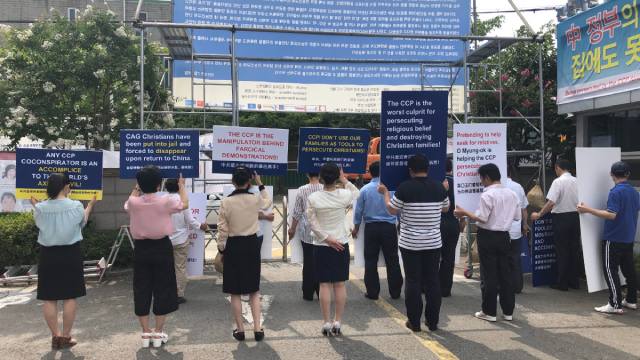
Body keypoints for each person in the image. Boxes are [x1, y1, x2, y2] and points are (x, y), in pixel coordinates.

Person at [378, 154, 449, 332]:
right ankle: (432, 322)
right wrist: (444, 190)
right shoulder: (439, 188)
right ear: (428, 168)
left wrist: (385, 194)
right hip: (433, 243)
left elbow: (392, 210)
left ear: (410, 170)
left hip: (410, 243)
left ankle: (414, 322)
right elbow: (446, 208)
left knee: (413, 281)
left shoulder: (404, 188)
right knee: (433, 282)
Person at [31, 173, 97, 349]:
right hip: (70, 254)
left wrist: (35, 206)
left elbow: (39, 224)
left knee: (49, 298)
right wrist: (90, 205)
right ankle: (66, 337)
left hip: (47, 255)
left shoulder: (40, 208)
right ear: (65, 186)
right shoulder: (75, 205)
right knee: (70, 296)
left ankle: (55, 336)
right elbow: (82, 223)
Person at [125, 166, 189, 348]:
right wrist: (182, 186)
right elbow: (184, 204)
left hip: (141, 249)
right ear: (159, 184)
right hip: (162, 247)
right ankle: (159, 332)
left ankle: (146, 333)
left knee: (141, 288)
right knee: (164, 288)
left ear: (139, 184)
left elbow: (129, 202)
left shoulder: (133, 202)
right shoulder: (166, 201)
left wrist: (137, 188)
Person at [454, 163, 521, 322]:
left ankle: (489, 312)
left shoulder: (487, 195)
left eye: (481, 179)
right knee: (505, 273)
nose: (481, 182)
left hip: (488, 236)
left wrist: (463, 212)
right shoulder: (512, 194)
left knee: (489, 275)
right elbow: (517, 217)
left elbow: (482, 218)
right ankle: (508, 312)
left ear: (487, 177)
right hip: (505, 236)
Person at [217, 167, 271, 342]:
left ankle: (240, 330)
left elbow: (222, 230)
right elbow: (268, 201)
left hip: (233, 246)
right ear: (249, 181)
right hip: (251, 244)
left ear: (233, 181)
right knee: (254, 290)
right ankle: (257, 329)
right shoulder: (255, 199)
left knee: (235, 292)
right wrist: (260, 182)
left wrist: (221, 249)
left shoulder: (226, 202)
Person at [577, 161, 639, 314]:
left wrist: (587, 209)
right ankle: (631, 300)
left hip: (614, 237)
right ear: (628, 174)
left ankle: (614, 303)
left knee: (610, 270)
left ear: (612, 175)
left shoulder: (615, 192)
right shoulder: (634, 192)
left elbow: (611, 214)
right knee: (628, 270)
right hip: (628, 237)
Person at [307, 163, 359, 336]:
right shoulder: (345, 195)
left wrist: (326, 238)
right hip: (341, 243)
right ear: (337, 177)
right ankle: (338, 321)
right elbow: (358, 194)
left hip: (322, 245)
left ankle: (326, 322)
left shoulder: (313, 197)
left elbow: (312, 223)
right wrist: (345, 180)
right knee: (339, 284)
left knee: (324, 284)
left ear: (321, 178)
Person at [352, 161, 403, 300]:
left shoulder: (364, 190)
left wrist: (356, 228)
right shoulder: (391, 189)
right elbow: (397, 208)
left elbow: (358, 212)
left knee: (371, 260)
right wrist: (400, 224)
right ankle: (395, 292)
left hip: (371, 228)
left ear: (370, 172)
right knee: (392, 260)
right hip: (389, 227)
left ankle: (373, 292)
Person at [531, 158, 581, 291]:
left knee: (562, 251)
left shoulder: (558, 182)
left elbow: (551, 202)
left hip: (561, 218)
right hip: (576, 218)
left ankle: (562, 283)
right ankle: (574, 282)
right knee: (574, 250)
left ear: (558, 167)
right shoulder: (577, 181)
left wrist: (539, 214)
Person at [164, 179, 208, 305]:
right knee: (180, 268)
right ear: (179, 188)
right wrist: (201, 226)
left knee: (165, 268)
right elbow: (190, 220)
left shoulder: (161, 201)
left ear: (166, 187)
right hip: (181, 240)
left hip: (164, 240)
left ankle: (166, 292)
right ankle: (178, 294)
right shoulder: (182, 202)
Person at [288, 173, 323, 301]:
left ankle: (308, 293)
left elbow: (297, 212)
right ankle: (321, 292)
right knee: (321, 262)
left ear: (308, 175)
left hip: (307, 232)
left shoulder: (302, 189)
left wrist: (292, 229)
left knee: (308, 262)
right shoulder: (324, 188)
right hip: (323, 232)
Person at [439, 158, 465, 298]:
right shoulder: (459, 183)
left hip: (437, 224)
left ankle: (430, 286)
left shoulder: (437, 182)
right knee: (449, 258)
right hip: (454, 223)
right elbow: (463, 205)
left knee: (434, 257)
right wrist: (462, 221)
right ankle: (445, 289)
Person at [503, 168, 530, 294]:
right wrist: (525, 225)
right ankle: (517, 286)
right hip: (515, 230)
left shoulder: (496, 188)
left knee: (501, 259)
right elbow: (524, 209)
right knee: (515, 258)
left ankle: (504, 286)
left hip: (500, 230)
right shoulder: (518, 187)